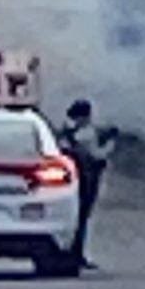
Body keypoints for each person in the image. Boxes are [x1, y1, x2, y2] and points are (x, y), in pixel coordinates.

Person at [58, 99, 117, 270]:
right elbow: (96, 155)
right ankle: (76, 253)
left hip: (73, 179)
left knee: (77, 217)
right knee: (82, 218)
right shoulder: (85, 134)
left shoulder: (66, 132)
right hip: (87, 177)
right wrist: (110, 144)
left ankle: (73, 252)